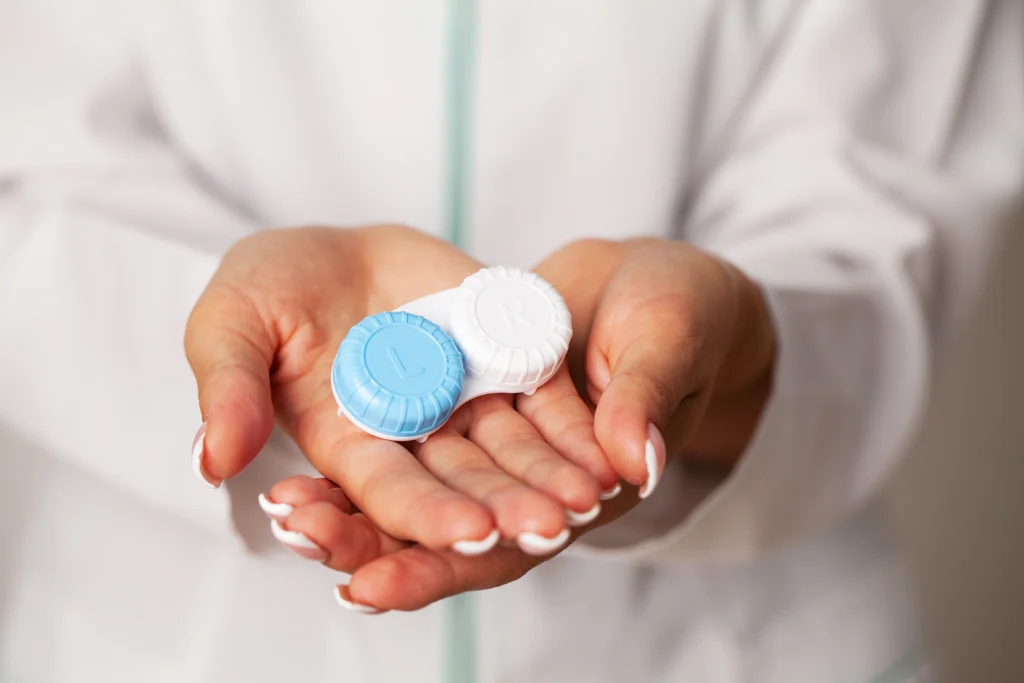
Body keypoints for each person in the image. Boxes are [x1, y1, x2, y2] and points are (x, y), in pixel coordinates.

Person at [1, 1, 1021, 681]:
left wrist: (740, 335)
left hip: (731, 641)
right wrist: (223, 333)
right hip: (167, 635)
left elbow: (884, 196)